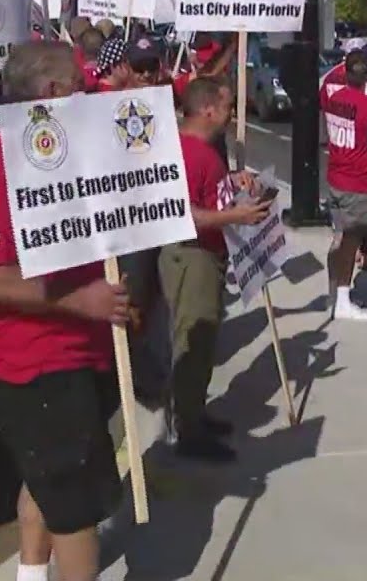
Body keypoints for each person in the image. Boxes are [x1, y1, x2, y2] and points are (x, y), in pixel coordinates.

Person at [0, 41, 131, 581]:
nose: (89, 93)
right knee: (73, 503)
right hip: (35, 363)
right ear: (53, 93)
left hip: (79, 351)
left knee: (47, 481)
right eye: (81, 86)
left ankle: (30, 574)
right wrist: (82, 301)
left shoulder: (61, 155)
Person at [160, 76, 272, 462]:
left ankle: (195, 412)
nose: (230, 114)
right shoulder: (187, 152)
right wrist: (234, 215)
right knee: (192, 338)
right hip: (190, 255)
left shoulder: (203, 150)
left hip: (207, 254)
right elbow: (179, 213)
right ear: (209, 109)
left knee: (205, 338)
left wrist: (233, 182)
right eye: (227, 107)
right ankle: (187, 431)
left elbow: (209, 191)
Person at [323, 48, 367, 322]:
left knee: (338, 239)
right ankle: (343, 300)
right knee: (350, 242)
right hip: (356, 184)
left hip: (335, 177)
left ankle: (334, 295)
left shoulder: (334, 99)